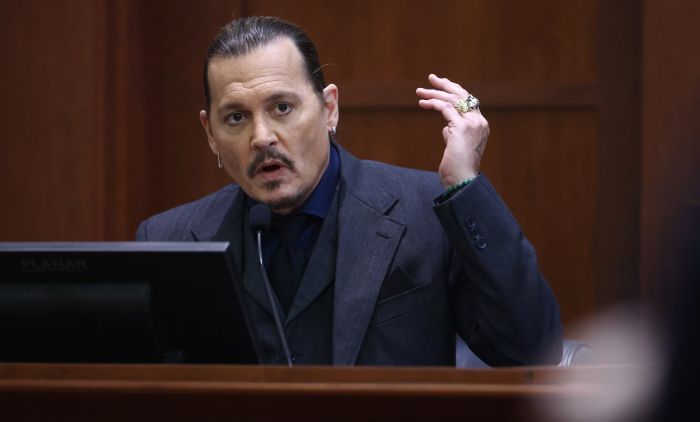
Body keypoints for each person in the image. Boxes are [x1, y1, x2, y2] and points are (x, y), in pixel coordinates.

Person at [136, 16, 562, 366]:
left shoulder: (426, 213)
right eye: (235, 118)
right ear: (209, 134)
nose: (261, 136)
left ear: (329, 109)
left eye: (282, 107)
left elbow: (531, 351)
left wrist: (465, 186)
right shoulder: (169, 241)